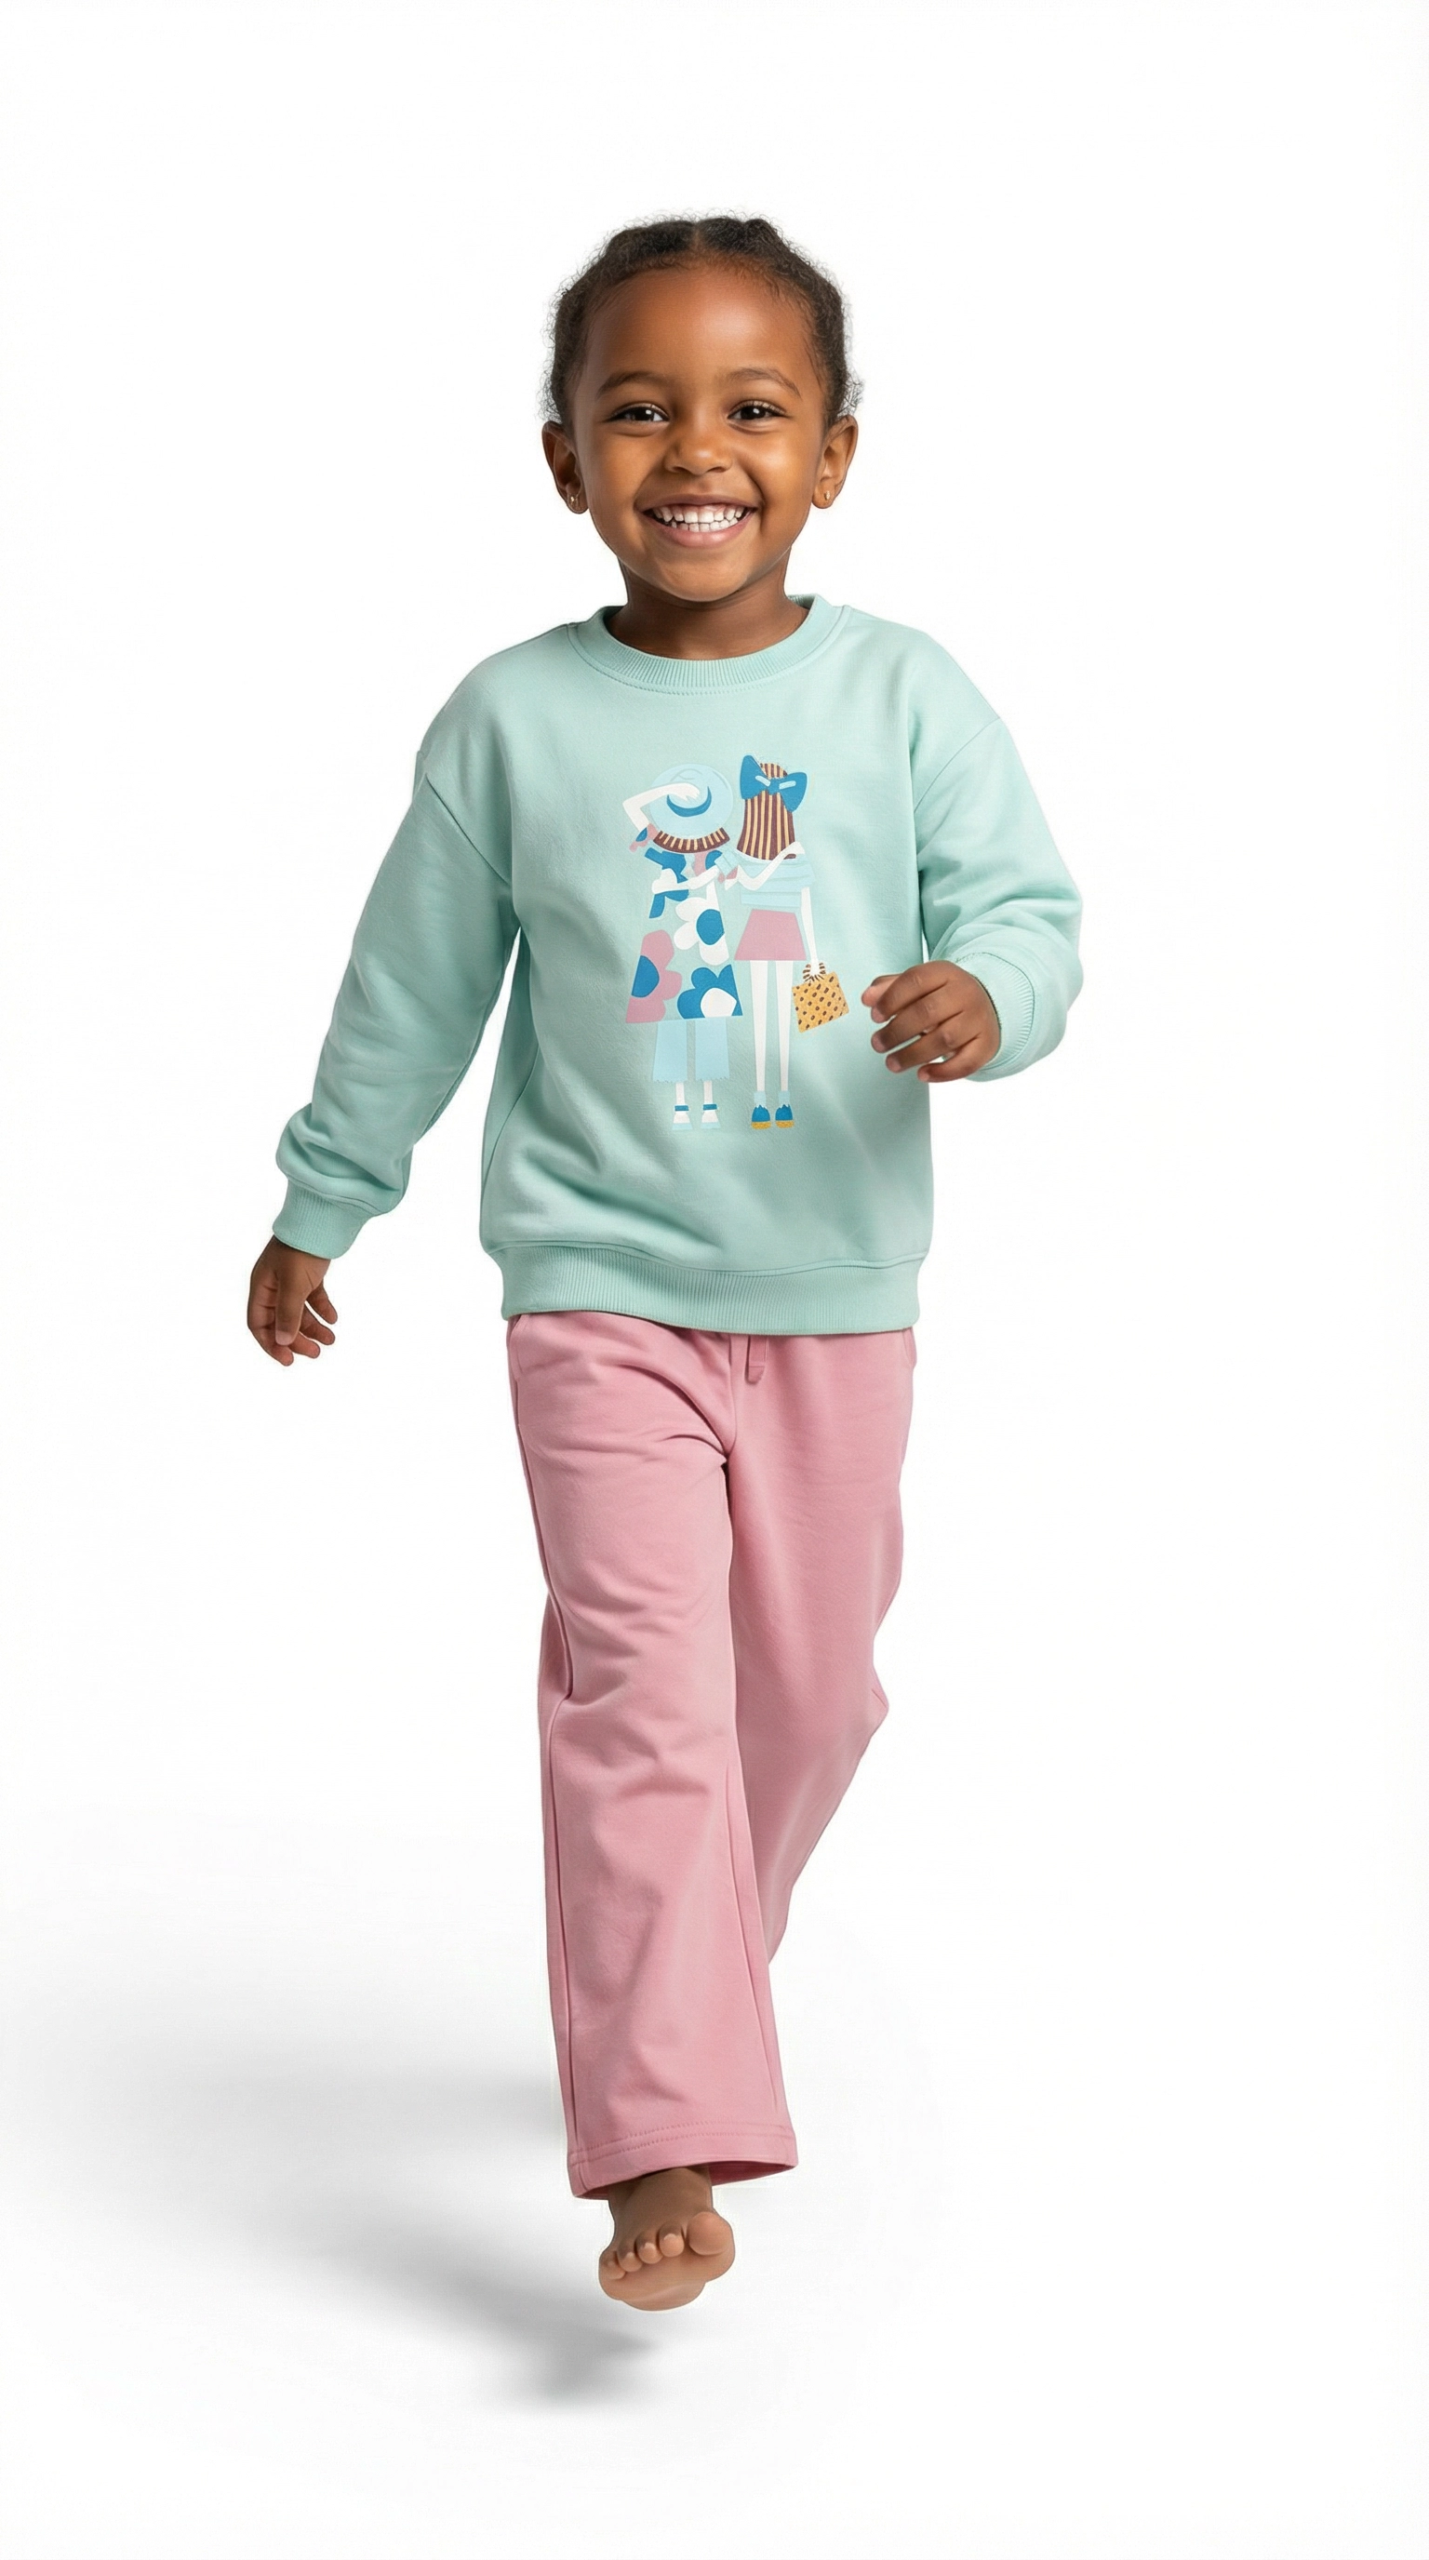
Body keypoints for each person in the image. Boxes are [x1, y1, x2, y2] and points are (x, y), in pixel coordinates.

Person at [246, 215, 1084, 2313]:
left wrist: (986, 995)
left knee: (810, 1696)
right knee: (645, 1697)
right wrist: (326, 1194)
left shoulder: (903, 693)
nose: (696, 449)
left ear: (833, 455)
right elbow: (410, 990)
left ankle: (693, 1955)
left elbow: (1032, 917)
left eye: (752, 408)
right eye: (639, 409)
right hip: (598, 1293)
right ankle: (655, 2137)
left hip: (834, 1300)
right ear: (566, 460)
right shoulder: (513, 722)